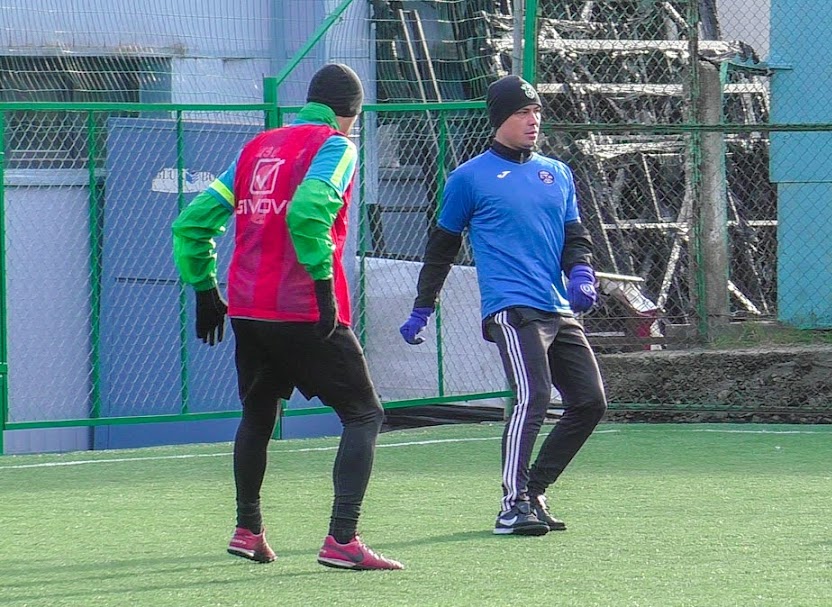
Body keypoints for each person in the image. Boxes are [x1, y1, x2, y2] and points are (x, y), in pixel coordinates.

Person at [171, 63, 403, 570]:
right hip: (302, 308)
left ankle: (247, 528)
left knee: (257, 416)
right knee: (365, 414)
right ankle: (343, 539)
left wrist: (205, 288)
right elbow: (308, 210)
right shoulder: (337, 147)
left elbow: (192, 221)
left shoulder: (257, 147)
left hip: (248, 308)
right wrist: (323, 288)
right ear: (350, 115)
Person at [399, 75, 608, 536]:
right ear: (499, 120)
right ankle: (511, 506)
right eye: (521, 113)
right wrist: (423, 305)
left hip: (556, 308)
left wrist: (581, 272)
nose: (533, 120)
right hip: (511, 307)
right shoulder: (468, 178)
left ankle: (534, 490)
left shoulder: (558, 173)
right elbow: (441, 247)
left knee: (590, 403)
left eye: (536, 111)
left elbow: (576, 237)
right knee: (533, 396)